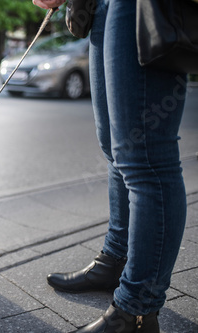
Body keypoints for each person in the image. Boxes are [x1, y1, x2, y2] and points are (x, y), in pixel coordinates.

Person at [33, 0, 188, 332]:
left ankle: (137, 310)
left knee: (146, 157)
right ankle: (115, 261)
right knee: (117, 150)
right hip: (99, 6)